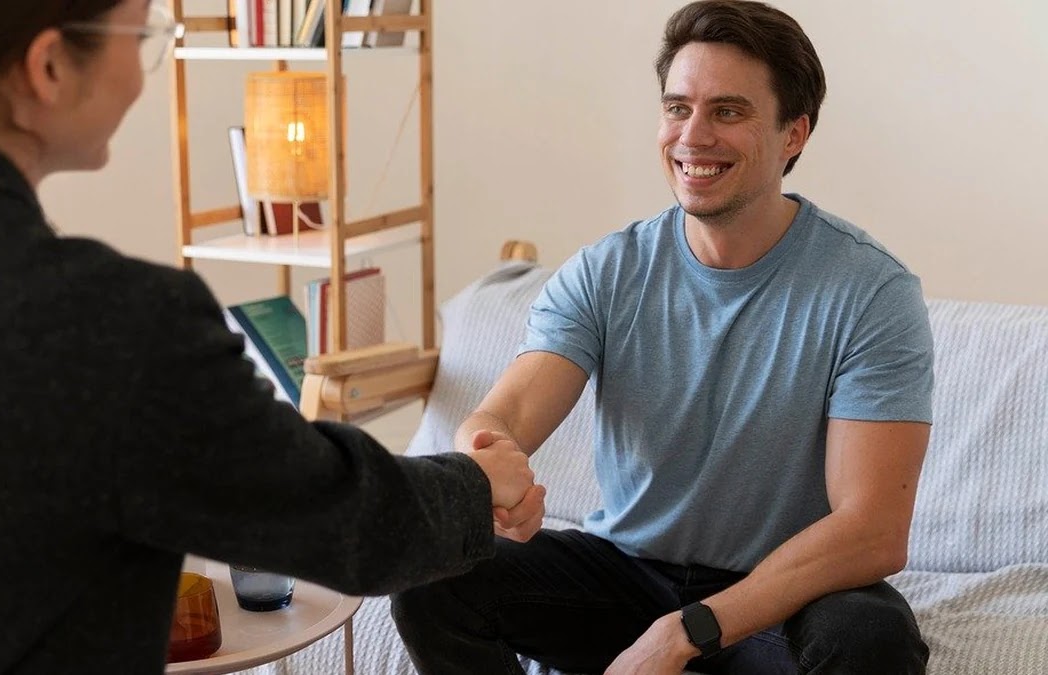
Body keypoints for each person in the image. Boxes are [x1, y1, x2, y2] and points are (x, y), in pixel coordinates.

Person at [0, 1, 544, 673]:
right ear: (50, 66)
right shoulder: (109, 321)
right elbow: (337, 512)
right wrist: (476, 485)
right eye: (140, 31)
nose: (142, 62)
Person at [391, 1, 935, 674]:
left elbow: (872, 532)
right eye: (678, 108)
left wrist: (684, 632)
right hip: (623, 576)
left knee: (869, 636)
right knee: (430, 578)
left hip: (778, 595)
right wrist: (484, 463)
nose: (693, 136)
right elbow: (507, 413)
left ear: (794, 133)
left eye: (728, 112)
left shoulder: (871, 291)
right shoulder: (607, 270)